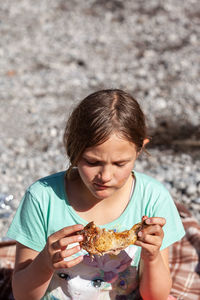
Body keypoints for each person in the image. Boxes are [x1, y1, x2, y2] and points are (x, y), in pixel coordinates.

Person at [7, 89, 185, 300]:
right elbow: (23, 296)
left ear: (139, 149)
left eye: (120, 163)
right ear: (73, 149)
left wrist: (152, 257)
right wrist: (45, 262)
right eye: (92, 162)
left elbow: (156, 297)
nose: (105, 176)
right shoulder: (42, 198)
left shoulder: (153, 199)